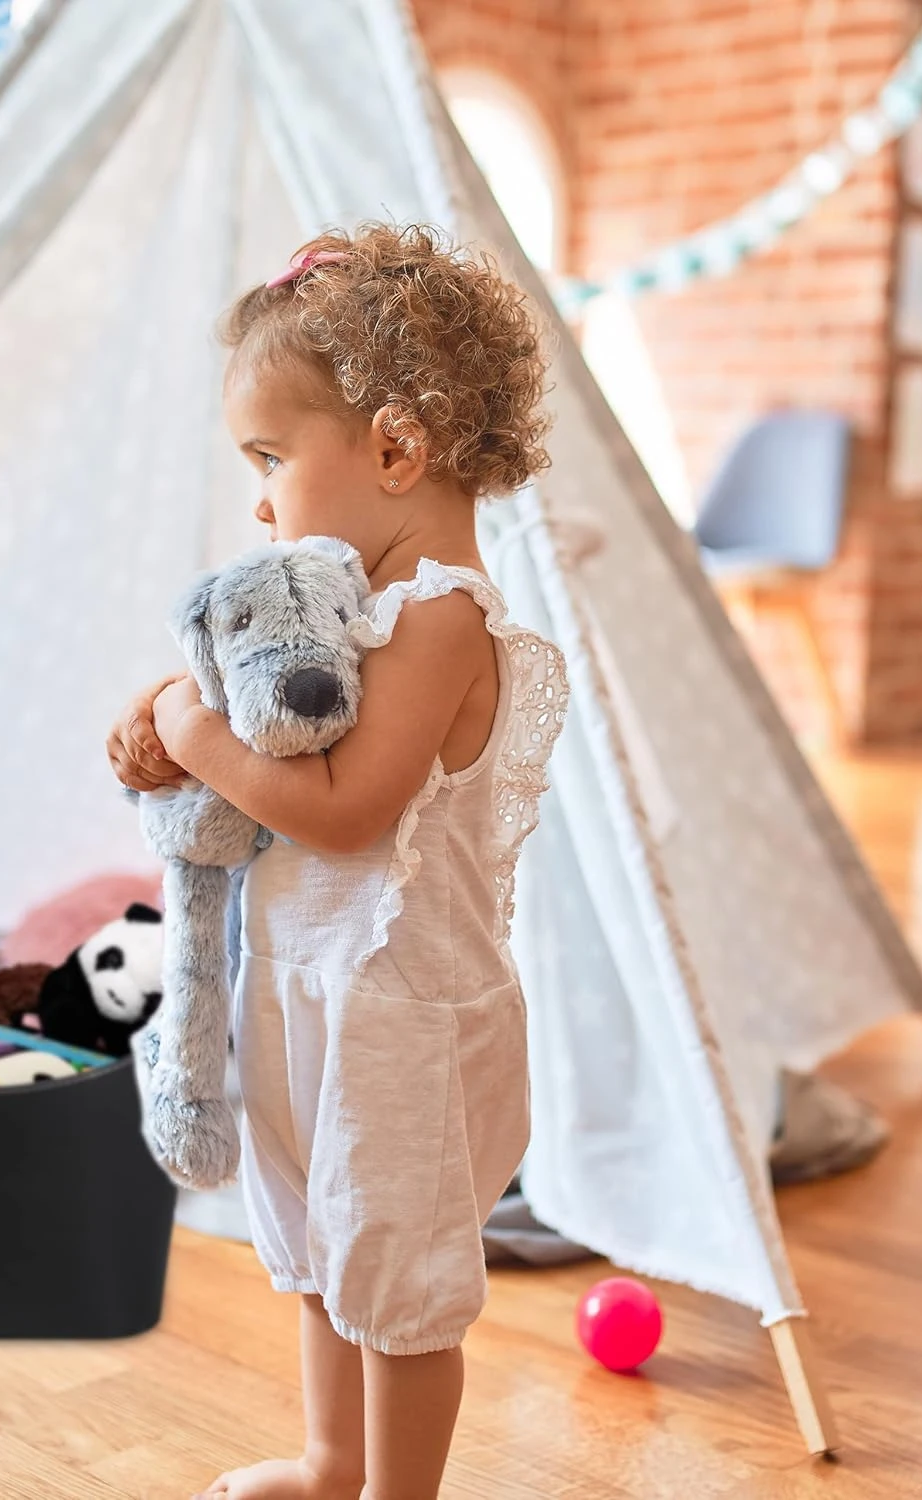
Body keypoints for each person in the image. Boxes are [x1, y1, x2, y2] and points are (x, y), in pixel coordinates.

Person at [106, 223, 567, 1500]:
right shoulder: (344, 619)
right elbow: (267, 746)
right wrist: (170, 728)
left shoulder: (441, 623)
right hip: (303, 987)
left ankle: (391, 1493)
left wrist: (200, 736)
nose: (258, 500)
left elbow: (350, 810)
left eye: (270, 458)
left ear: (395, 449)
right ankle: (330, 1459)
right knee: (317, 1243)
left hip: (404, 1016)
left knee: (399, 1278)